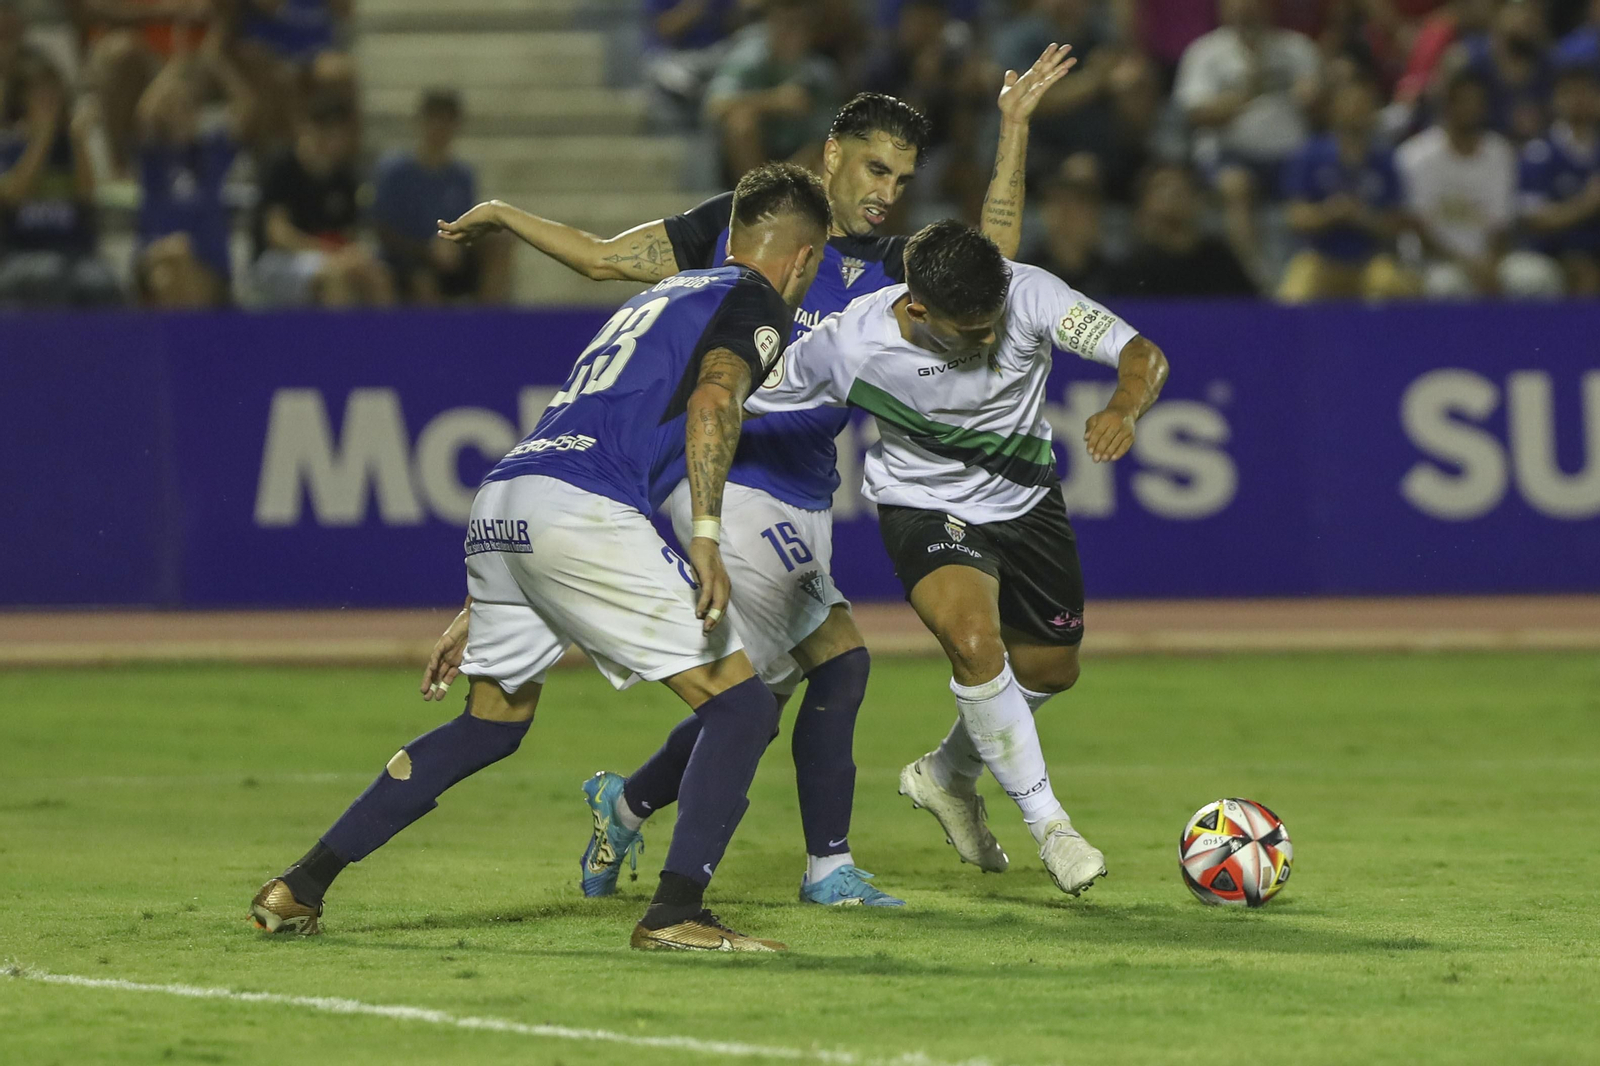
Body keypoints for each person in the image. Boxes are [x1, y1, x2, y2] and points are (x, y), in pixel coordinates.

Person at [435, 56, 1073, 908]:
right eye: (876, 168)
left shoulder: (893, 266)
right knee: (834, 667)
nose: (888, 190)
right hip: (730, 487)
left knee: (761, 695)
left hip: (808, 493)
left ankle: (623, 805)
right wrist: (507, 215)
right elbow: (600, 260)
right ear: (833, 151)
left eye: (904, 177)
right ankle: (823, 870)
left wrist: (1015, 131)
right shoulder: (748, 230)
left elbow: (991, 262)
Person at [251, 162, 829, 953]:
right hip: (583, 511)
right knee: (743, 706)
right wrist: (703, 532)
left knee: (491, 725)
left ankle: (300, 885)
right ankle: (675, 913)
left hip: (509, 499)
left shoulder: (661, 293)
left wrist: (484, 598)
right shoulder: (755, 302)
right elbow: (714, 399)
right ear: (802, 258)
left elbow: (598, 276)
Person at [747, 220, 1169, 893]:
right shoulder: (850, 346)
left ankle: (946, 776)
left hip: (1028, 504)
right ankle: (1053, 829)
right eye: (972, 330)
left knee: (1052, 669)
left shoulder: (1029, 293)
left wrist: (1123, 408)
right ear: (917, 308)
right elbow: (738, 394)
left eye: (995, 319)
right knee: (976, 643)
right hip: (923, 507)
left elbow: (1143, 353)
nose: (992, 337)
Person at [1175, 0, 1321, 280]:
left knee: (1316, 181)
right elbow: (1196, 113)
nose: (1246, 9)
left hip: (1292, 154)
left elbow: (1320, 107)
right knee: (1236, 186)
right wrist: (1246, 92)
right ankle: (1253, 277)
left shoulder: (1296, 48)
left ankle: (1304, 278)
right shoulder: (1205, 52)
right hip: (1231, 153)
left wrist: (1313, 98)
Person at [1396, 69, 1555, 297]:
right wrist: (1467, 264)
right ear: (1446, 106)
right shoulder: (1415, 156)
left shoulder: (1500, 152)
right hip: (1438, 262)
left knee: (1538, 277)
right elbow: (1418, 227)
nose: (1470, 108)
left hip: (1491, 258)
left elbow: (1502, 222)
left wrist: (1489, 262)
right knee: (1446, 287)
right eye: (1463, 101)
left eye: (1477, 101)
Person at [133, 31, 254, 308]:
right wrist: (178, 64)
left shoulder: (212, 150)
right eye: (174, 107)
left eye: (189, 107)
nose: (182, 114)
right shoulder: (154, 157)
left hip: (207, 263)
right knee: (169, 265)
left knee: (173, 273)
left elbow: (246, 106)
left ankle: (175, 347)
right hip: (158, 255)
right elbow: (144, 112)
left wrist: (216, 64)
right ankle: (190, 347)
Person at [1278, 74, 1417, 302]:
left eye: (1365, 105)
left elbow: (1396, 225)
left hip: (1370, 260)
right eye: (1350, 103)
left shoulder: (1385, 160)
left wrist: (1361, 216)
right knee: (1293, 297)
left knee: (1396, 287)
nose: (1357, 111)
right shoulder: (1310, 155)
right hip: (1320, 258)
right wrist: (1332, 213)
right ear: (1334, 109)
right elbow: (1297, 218)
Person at [249, 94, 393, 307]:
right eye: (326, 131)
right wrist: (328, 253)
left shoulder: (344, 177)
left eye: (338, 133)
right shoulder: (281, 167)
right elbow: (277, 234)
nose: (333, 141)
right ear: (309, 129)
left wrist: (351, 256)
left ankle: (384, 340)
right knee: (335, 276)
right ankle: (339, 341)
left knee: (376, 274)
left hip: (329, 256)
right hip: (278, 260)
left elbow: (347, 234)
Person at [0, 55, 120, 308]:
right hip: (21, 254)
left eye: (52, 90)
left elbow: (88, 197)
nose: (48, 99)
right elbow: (12, 196)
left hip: (77, 252)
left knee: (103, 284)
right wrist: (42, 137)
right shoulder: (9, 146)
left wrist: (78, 141)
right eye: (39, 92)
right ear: (22, 99)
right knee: (49, 275)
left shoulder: (73, 143)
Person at [371, 89, 509, 305]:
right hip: (406, 259)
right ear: (421, 122)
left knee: (501, 241)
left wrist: (455, 246)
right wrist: (426, 251)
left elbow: (469, 223)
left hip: (451, 257)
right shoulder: (395, 171)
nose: (439, 129)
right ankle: (429, 336)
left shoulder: (462, 176)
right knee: (423, 280)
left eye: (447, 121)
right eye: (434, 120)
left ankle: (490, 325)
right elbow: (383, 228)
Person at [703, 0, 840, 181]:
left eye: (800, 24)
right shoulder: (749, 58)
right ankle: (755, 196)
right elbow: (715, 106)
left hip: (800, 158)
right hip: (755, 156)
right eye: (786, 23)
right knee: (741, 123)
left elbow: (833, 130)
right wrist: (774, 101)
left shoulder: (820, 73)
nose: (792, 33)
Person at [1103, 163, 1258, 297]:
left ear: (1198, 199)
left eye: (1181, 188)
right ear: (1143, 205)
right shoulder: (1130, 270)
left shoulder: (1220, 261)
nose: (1171, 196)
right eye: (1161, 188)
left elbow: (1248, 308)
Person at [1517, 63, 1600, 297]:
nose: (1579, 100)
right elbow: (1534, 219)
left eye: (1587, 92)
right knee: (1584, 270)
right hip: (1557, 251)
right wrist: (1587, 204)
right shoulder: (1540, 153)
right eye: (1571, 92)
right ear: (1556, 100)